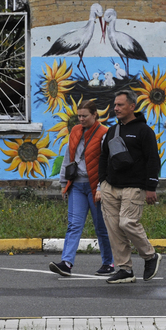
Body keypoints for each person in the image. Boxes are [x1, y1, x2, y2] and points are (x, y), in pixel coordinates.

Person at [95, 90, 161, 284]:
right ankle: (125, 269)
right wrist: (103, 181)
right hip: (111, 187)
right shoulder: (112, 131)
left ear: (132, 106)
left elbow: (152, 160)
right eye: (115, 105)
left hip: (134, 187)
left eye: (120, 105)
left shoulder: (144, 131)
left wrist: (151, 187)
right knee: (114, 228)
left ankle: (150, 256)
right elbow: (104, 157)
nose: (116, 108)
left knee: (127, 223)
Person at [49, 100, 114, 277]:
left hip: (95, 187)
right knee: (74, 225)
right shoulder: (76, 130)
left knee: (101, 227)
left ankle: (109, 263)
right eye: (79, 116)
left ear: (95, 115)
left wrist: (101, 187)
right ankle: (66, 263)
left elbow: (106, 163)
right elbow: (68, 156)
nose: (81, 119)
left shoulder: (104, 134)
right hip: (76, 185)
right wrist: (64, 184)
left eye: (85, 116)